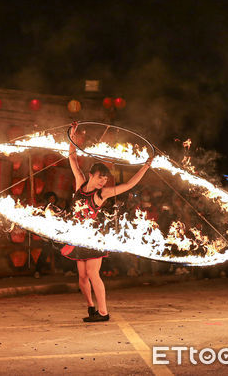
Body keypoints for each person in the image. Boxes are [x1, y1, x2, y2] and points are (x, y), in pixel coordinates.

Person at [64, 122, 153, 322]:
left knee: (93, 274)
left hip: (94, 239)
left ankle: (103, 313)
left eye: (105, 179)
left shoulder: (102, 194)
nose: (103, 181)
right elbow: (72, 158)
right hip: (78, 238)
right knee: (82, 277)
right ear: (90, 176)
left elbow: (129, 184)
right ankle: (91, 307)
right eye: (100, 178)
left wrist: (146, 166)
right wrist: (72, 135)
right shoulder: (80, 183)